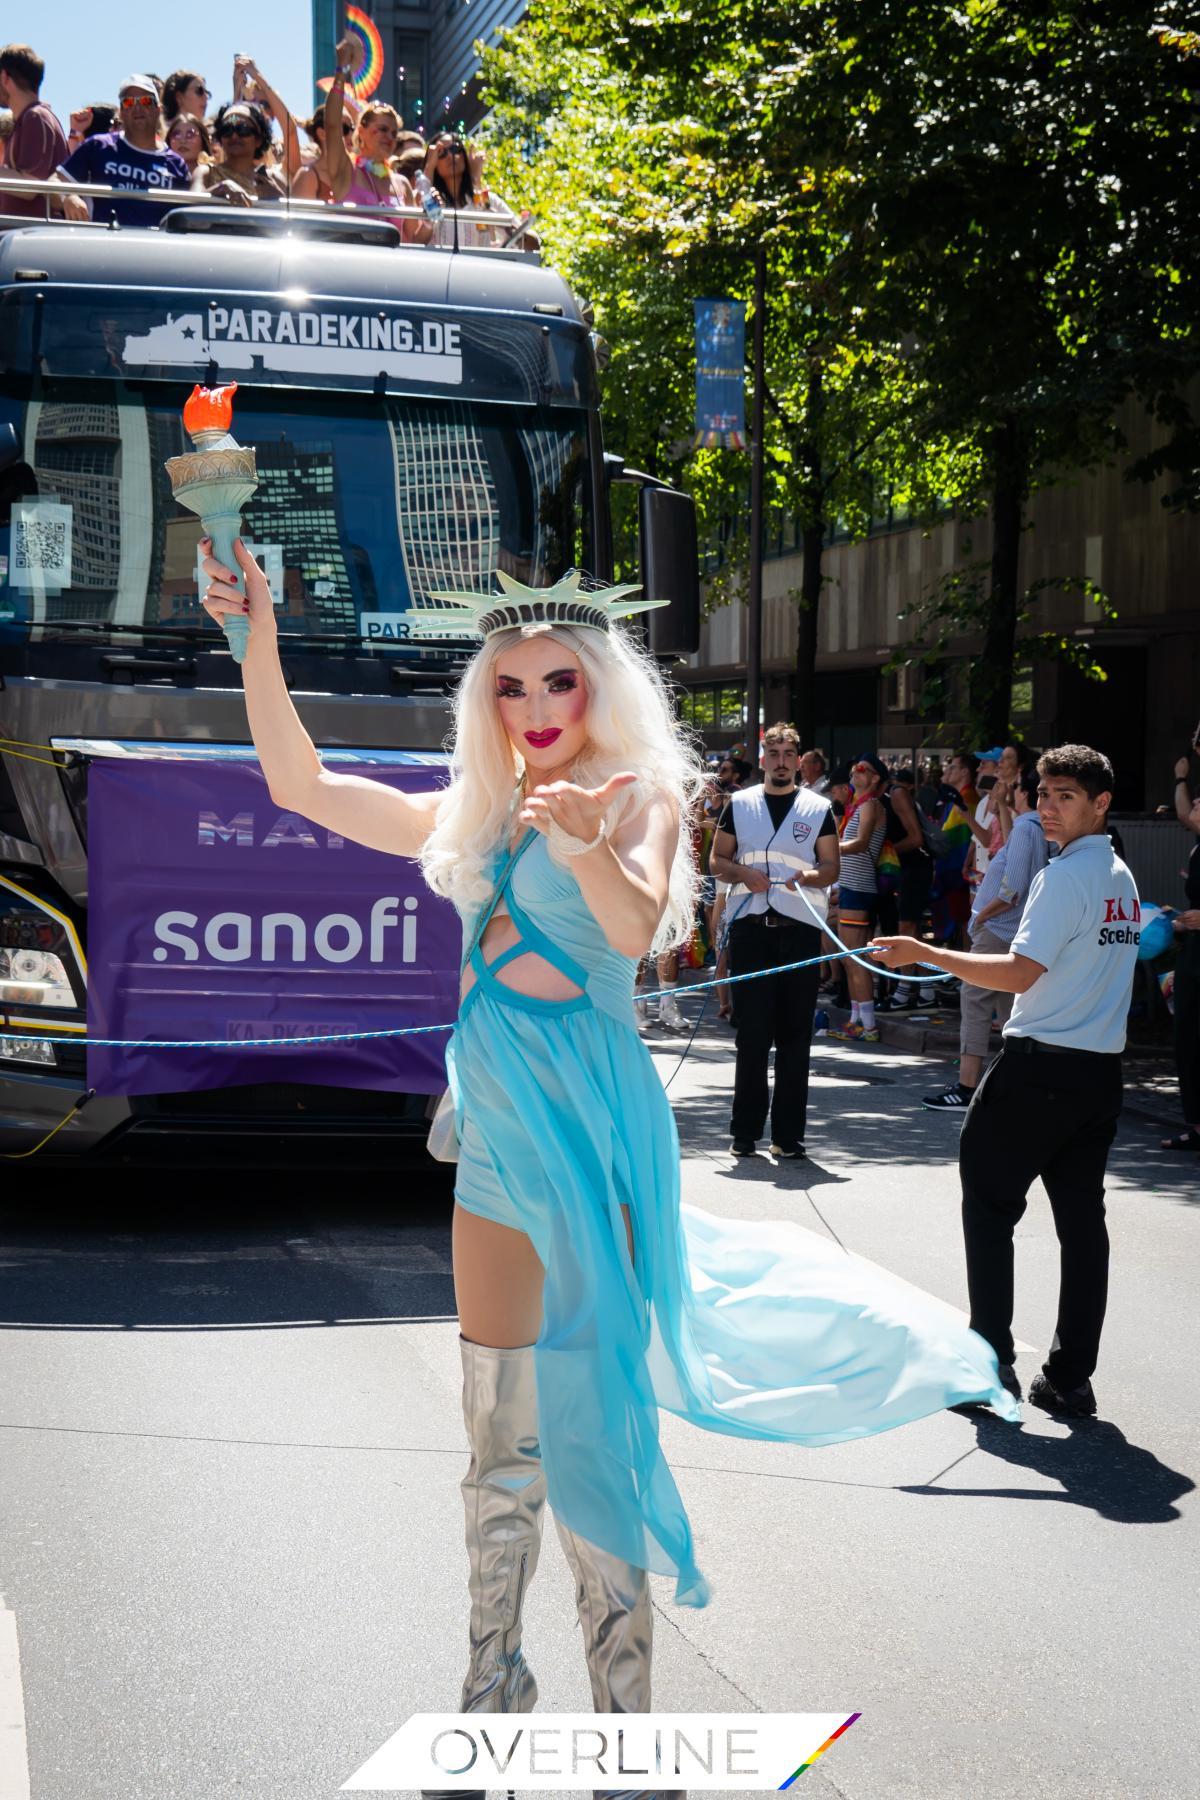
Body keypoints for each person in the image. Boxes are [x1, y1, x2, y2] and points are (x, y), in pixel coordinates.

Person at [200, 544, 1017, 1759]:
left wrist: (582, 835)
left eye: (558, 685)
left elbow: (636, 921)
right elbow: (303, 784)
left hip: (594, 1118)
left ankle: (624, 1719)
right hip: (496, 1125)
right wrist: (254, 639)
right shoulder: (471, 812)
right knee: (495, 1434)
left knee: (592, 1413)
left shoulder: (634, 793)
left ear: (599, 690)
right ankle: (490, 1686)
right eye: (510, 689)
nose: (533, 710)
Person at [872, 744, 1141, 1419]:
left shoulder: (1068, 877)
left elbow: (1020, 973)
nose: (1048, 808)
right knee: (1083, 1227)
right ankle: (1070, 1377)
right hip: (1097, 1076)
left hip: (1040, 1068)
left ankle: (989, 1367)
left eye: (1066, 797)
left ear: (1101, 804)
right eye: (1044, 795)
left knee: (990, 1212)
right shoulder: (1121, 876)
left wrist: (926, 952)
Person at [710, 723, 840, 1156]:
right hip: (751, 929)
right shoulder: (739, 804)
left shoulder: (818, 807)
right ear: (763, 759)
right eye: (774, 753)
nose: (781, 761)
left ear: (799, 761)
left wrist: (809, 876)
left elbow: (831, 868)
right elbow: (716, 860)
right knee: (751, 1034)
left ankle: (788, 1137)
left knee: (795, 1036)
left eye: (789, 754)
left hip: (799, 931)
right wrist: (744, 873)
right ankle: (744, 1133)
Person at [922, 769, 1048, 1110]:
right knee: (1010, 1010)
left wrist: (983, 915)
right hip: (1013, 930)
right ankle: (1016, 1086)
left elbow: (1013, 887)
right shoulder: (1037, 828)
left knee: (975, 1001)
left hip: (999, 929)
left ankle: (966, 1085)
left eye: (1016, 786)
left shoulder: (1027, 827)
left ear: (1025, 792)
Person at [57, 76, 189, 226]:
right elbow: (57, 179)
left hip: (156, 246)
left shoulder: (176, 164)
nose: (137, 108)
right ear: (121, 112)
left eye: (145, 101)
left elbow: (185, 216)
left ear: (157, 109)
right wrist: (68, 196)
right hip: (106, 244)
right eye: (128, 102)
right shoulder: (98, 146)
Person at [827, 753, 887, 1044]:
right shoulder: (858, 806)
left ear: (875, 779)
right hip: (853, 887)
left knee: (854, 959)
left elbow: (862, 844)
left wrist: (827, 849)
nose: (855, 770)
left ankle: (868, 1025)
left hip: (859, 888)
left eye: (862, 769)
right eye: (854, 767)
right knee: (851, 959)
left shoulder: (871, 805)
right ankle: (857, 1021)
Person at [1164, 748, 1200, 1153]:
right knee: (1187, 1038)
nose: (1195, 804)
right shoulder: (1196, 845)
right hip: (1192, 952)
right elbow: (1183, 812)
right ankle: (1196, 1126)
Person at [414, 130, 529, 249]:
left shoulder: (484, 199)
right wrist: (429, 167)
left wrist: (476, 180)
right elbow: (415, 243)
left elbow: (525, 239)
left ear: (464, 155)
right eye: (441, 153)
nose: (450, 156)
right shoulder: (433, 202)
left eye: (455, 149)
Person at [0, 43, 68, 219]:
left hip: (32, 236)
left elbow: (30, 186)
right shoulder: (28, 119)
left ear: (5, 77)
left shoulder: (36, 117)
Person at [196, 101, 288, 204]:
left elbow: (291, 216)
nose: (234, 136)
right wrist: (221, 188)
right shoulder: (206, 173)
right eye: (227, 130)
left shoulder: (273, 178)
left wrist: (277, 198)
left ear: (258, 140)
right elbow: (190, 205)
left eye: (242, 129)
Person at [165, 112, 213, 176]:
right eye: (176, 135)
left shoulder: (215, 176)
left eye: (190, 134)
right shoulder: (159, 175)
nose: (183, 141)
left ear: (203, 141)